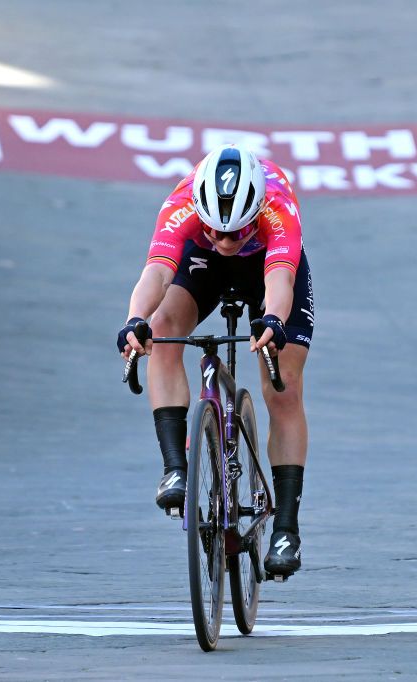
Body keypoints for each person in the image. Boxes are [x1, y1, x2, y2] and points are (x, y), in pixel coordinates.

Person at [118, 144, 314, 579]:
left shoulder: (278, 208)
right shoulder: (184, 203)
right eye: (215, 231)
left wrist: (274, 322)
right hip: (200, 266)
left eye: (235, 233)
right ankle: (175, 468)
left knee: (283, 385)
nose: (225, 241)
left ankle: (286, 527)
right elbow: (157, 272)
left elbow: (281, 278)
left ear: (257, 209)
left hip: (267, 266)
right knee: (164, 327)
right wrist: (135, 319)